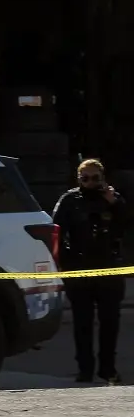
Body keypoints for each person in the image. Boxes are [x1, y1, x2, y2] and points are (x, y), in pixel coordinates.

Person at [52, 158, 131, 384]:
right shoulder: (69, 200)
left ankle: (108, 369)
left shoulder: (113, 199)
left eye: (95, 177)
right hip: (80, 269)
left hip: (109, 268)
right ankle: (84, 369)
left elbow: (127, 223)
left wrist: (114, 203)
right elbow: (56, 230)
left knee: (110, 322)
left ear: (103, 178)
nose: (90, 182)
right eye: (85, 178)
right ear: (78, 179)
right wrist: (63, 262)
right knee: (82, 322)